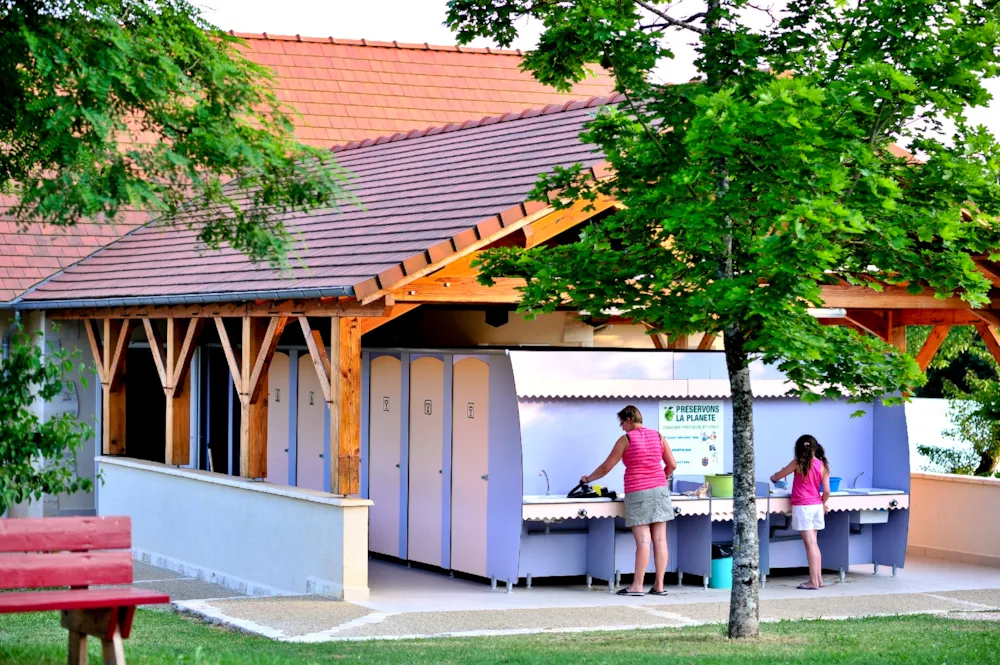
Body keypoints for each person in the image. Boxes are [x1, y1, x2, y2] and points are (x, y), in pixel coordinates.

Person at [580, 405, 677, 596]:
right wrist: (660, 479)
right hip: (661, 491)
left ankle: (637, 586)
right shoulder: (658, 436)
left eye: (622, 423)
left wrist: (587, 479)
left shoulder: (627, 439)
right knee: (660, 540)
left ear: (629, 420)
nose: (622, 428)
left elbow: (606, 467)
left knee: (643, 541)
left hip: (638, 491)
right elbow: (672, 464)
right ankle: (659, 586)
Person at [770, 434, 831, 590]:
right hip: (817, 506)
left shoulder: (798, 462)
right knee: (814, 544)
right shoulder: (822, 465)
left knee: (810, 544)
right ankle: (818, 580)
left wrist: (773, 477)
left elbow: (778, 476)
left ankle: (813, 582)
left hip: (803, 506)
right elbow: (827, 491)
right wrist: (821, 503)